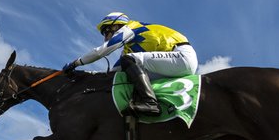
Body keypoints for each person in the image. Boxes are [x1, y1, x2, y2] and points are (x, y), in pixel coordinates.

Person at [63, 12, 198, 116]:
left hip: (182, 56)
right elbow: (112, 74)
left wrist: (75, 63)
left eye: (106, 32)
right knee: (121, 77)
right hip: (174, 62)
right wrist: (83, 75)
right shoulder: (131, 49)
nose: (105, 37)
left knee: (129, 59)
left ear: (116, 26)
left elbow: (102, 51)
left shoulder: (130, 28)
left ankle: (150, 103)